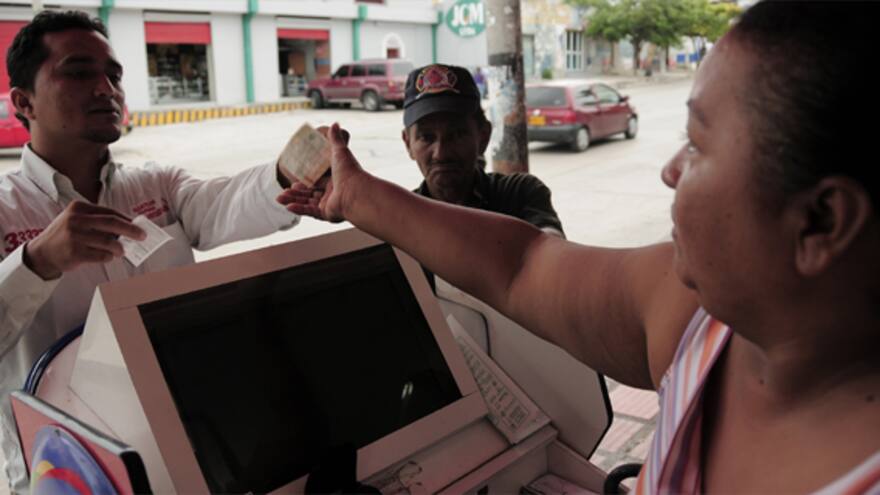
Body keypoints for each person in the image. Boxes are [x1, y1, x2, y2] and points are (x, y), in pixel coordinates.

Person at [278, 1, 880, 492]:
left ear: (821, 222)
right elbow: (520, 268)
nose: (670, 171)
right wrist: (359, 199)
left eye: (697, 145)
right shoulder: (701, 323)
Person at [0, 11, 300, 491]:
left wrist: (289, 178)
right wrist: (36, 263)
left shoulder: (157, 185)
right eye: (79, 72)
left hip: (189, 444)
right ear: (23, 101)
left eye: (113, 75)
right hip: (68, 469)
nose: (106, 88)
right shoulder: (6, 214)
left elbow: (222, 203)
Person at [402, 63, 564, 238]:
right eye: (426, 137)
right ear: (408, 143)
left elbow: (552, 248)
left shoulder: (519, 194)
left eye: (456, 135)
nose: (441, 153)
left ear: (483, 136)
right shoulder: (400, 217)